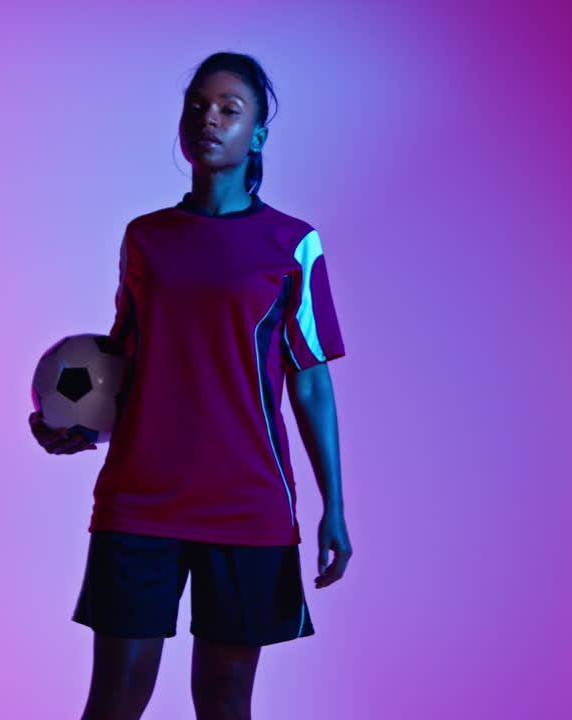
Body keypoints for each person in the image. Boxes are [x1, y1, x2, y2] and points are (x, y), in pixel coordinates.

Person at [29, 51, 352, 720]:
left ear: (258, 135)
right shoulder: (147, 238)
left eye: (230, 110)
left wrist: (335, 507)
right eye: (198, 106)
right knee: (114, 700)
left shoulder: (293, 244)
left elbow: (312, 385)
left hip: (247, 502)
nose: (209, 119)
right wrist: (77, 425)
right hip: (140, 497)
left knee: (225, 703)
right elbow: (128, 363)